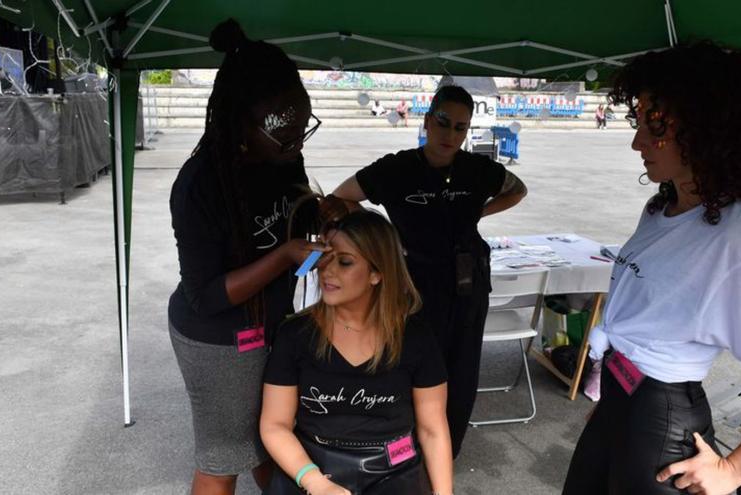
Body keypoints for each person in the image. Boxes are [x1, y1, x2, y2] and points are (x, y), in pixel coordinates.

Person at [561, 41, 741, 495]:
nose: (637, 141)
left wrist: (734, 470)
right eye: (639, 121)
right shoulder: (661, 207)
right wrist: (612, 405)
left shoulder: (738, 239)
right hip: (618, 407)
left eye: (655, 125)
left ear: (706, 129)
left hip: (661, 428)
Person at [167, 19, 327, 495]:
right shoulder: (198, 185)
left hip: (271, 325)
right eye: (285, 134)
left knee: (268, 441)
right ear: (239, 121)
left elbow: (294, 220)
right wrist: (283, 258)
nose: (297, 143)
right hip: (215, 340)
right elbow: (207, 296)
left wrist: (322, 215)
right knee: (222, 457)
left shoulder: (284, 156)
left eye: (304, 128)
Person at [324, 85, 528, 458]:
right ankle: (403, 452)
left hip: (468, 286)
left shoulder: (478, 169)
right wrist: (384, 233)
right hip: (412, 286)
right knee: (408, 364)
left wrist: (477, 213)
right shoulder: (396, 169)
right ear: (427, 120)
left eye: (460, 128)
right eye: (444, 123)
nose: (450, 135)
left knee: (461, 371)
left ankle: (445, 453)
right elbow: (339, 198)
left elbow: (518, 190)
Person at [260, 210, 453, 495]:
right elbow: (275, 425)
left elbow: (433, 429)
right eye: (324, 259)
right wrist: (316, 483)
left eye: (345, 262)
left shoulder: (415, 336)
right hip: (313, 465)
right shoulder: (296, 335)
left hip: (395, 468)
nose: (328, 271)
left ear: (377, 273)